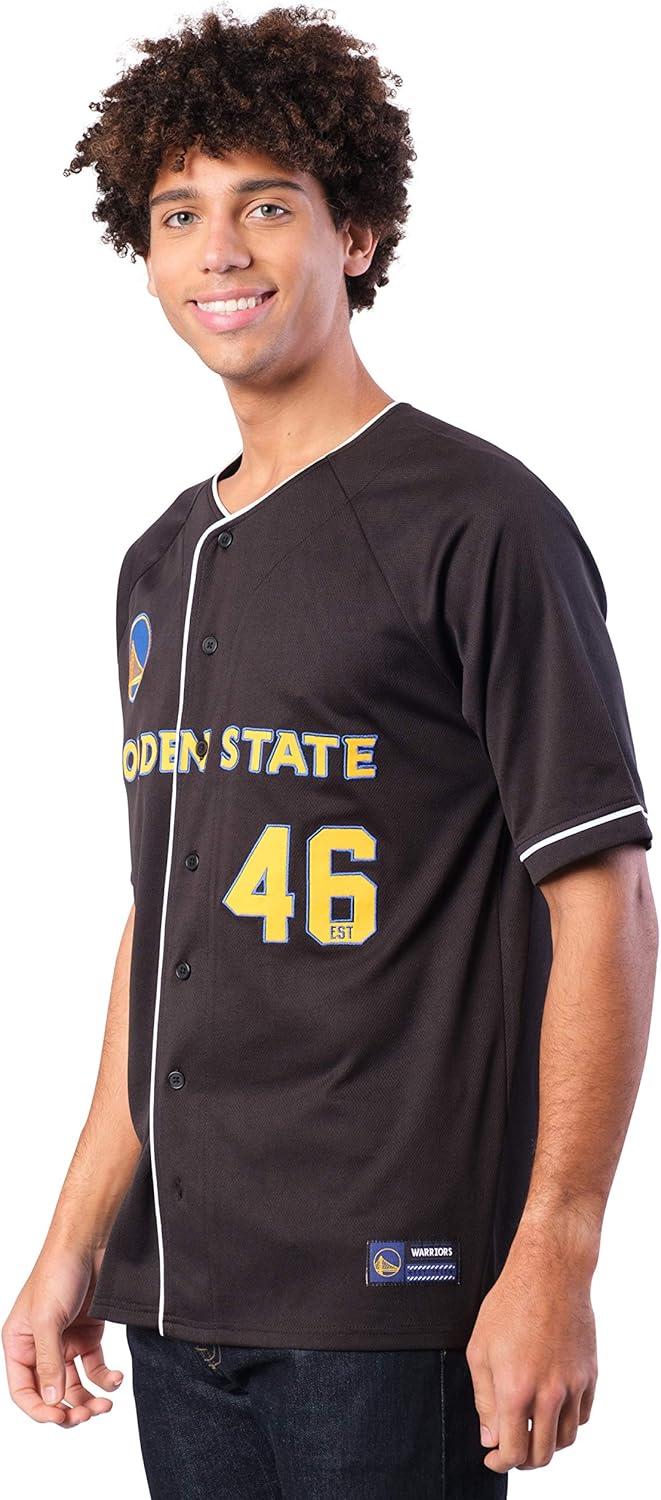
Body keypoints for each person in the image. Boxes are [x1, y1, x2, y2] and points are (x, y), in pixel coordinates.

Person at [3, 5, 657, 1496]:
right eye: (180, 214)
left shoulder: (479, 522)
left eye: (267, 205)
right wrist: (74, 1238)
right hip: (180, 1296)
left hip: (390, 1293)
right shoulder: (158, 560)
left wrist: (556, 1248)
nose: (219, 251)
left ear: (354, 234)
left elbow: (603, 897)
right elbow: (168, 919)